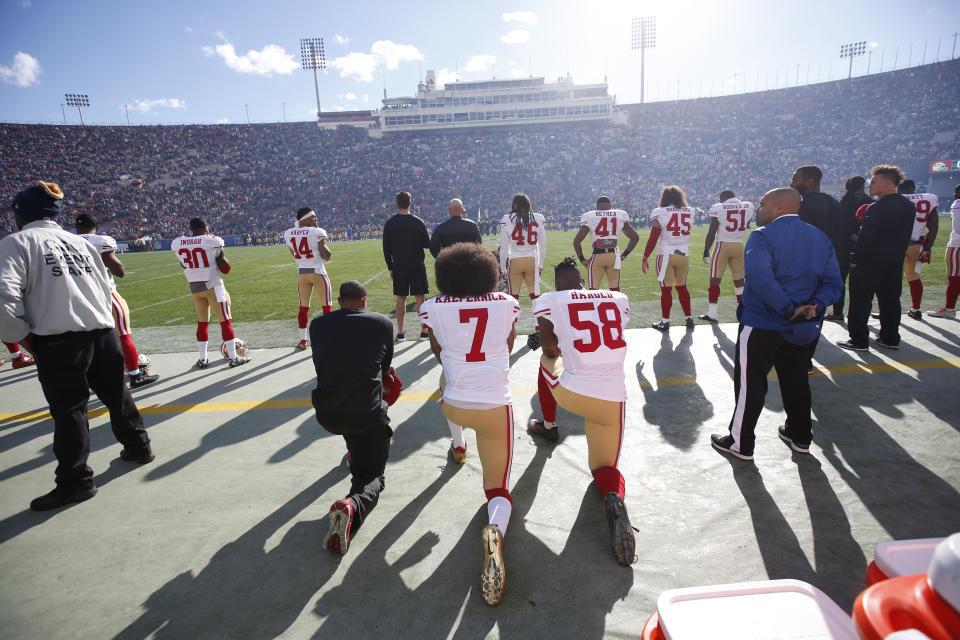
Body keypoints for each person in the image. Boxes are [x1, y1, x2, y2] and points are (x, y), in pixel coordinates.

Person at [0, 182, 155, 511]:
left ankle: (76, 481)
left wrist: (25, 340)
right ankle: (139, 446)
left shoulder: (15, 244)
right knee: (118, 395)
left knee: (70, 410)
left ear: (20, 215)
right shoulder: (79, 243)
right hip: (102, 331)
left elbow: (3, 299)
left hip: (59, 338)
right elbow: (105, 289)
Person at [419, 242, 520, 606]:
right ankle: (496, 529)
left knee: (445, 378)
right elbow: (506, 345)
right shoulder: (506, 303)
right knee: (498, 490)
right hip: (494, 408)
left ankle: (458, 444)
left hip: (455, 406)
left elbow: (438, 351)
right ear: (488, 273)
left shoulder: (431, 307)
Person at [710, 188, 842, 461]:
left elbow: (760, 279)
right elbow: (834, 283)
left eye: (762, 204)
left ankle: (740, 441)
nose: (757, 209)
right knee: (797, 381)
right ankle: (800, 435)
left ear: (779, 208)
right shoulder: (819, 237)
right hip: (803, 326)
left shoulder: (762, 235)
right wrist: (813, 306)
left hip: (763, 322)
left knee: (751, 383)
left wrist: (788, 309)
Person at [528, 257, 636, 567]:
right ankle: (614, 499)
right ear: (582, 281)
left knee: (545, 363)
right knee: (604, 469)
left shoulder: (550, 299)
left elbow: (549, 348)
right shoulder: (617, 298)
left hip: (574, 395)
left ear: (558, 283)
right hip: (613, 400)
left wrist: (559, 341)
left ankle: (548, 425)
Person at [310, 280, 400, 555]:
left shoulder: (317, 325)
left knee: (355, 420)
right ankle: (353, 505)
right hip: (365, 414)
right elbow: (386, 369)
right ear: (364, 300)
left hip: (327, 412)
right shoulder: (382, 323)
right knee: (372, 475)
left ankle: (354, 455)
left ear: (339, 301)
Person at [75, 213, 158, 389]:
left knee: (85, 339)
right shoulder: (100, 241)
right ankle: (136, 375)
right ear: (96, 227)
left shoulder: (65, 240)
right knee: (123, 334)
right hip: (106, 294)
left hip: (78, 297)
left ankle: (88, 379)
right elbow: (118, 270)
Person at [837, 165, 916, 351]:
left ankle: (858, 340)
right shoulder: (908, 206)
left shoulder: (876, 208)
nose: (869, 186)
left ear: (887, 182)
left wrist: (855, 258)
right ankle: (890, 338)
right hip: (895, 261)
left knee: (860, 301)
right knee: (890, 300)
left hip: (870, 262)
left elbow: (866, 239)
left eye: (873, 182)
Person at [171, 218, 249, 367]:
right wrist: (218, 258)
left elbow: (183, 264)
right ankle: (233, 358)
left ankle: (203, 358)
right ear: (205, 228)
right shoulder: (213, 241)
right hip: (214, 286)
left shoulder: (178, 243)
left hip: (194, 288)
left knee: (202, 323)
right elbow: (226, 269)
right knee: (225, 321)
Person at [642, 185, 696, 330]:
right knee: (682, 288)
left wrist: (645, 256)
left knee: (666, 290)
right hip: (684, 254)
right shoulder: (689, 211)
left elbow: (653, 238)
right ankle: (689, 318)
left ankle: (665, 322)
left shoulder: (660, 212)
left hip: (666, 254)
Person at [700, 190, 756, 321]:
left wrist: (706, 249)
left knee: (714, 280)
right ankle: (744, 312)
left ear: (723, 198)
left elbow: (712, 230)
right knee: (739, 282)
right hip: (739, 245)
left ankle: (712, 313)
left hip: (722, 246)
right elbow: (747, 224)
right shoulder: (748, 205)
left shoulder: (718, 207)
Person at [382, 191, 430, 342]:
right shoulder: (418, 222)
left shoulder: (390, 223)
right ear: (410, 203)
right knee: (420, 297)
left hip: (399, 266)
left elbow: (386, 248)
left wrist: (390, 267)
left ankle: (401, 332)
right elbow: (426, 244)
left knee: (400, 298)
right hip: (416, 265)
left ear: (397, 203)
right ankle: (423, 331)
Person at [282, 206, 332, 350]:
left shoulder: (289, 233)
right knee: (326, 307)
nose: (316, 219)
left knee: (303, 308)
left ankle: (303, 340)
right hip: (318, 272)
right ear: (307, 219)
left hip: (302, 274)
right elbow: (327, 256)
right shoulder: (317, 232)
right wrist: (321, 243)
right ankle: (328, 339)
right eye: (314, 217)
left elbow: (294, 254)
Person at [573, 196, 640, 291]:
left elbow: (577, 241)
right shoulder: (620, 214)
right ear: (610, 206)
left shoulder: (590, 215)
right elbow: (635, 237)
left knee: (593, 291)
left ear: (597, 206)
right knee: (615, 291)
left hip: (598, 255)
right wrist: (624, 255)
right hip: (614, 256)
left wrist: (582, 259)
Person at [830, 176, 873, 321]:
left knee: (840, 280)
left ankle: (837, 312)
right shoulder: (870, 203)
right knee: (861, 284)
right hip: (865, 246)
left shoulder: (842, 203)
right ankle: (858, 316)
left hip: (844, 246)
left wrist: (854, 237)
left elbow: (841, 226)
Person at [897, 179, 939, 320]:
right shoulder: (929, 198)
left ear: (898, 188)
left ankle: (891, 309)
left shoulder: (897, 199)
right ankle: (915, 309)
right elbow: (933, 227)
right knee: (914, 277)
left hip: (899, 245)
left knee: (894, 278)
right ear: (914, 188)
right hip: (917, 244)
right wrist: (927, 248)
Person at [498, 193, 546, 301]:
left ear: (515, 205)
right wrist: (540, 265)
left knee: (513, 299)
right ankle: (540, 317)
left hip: (515, 261)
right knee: (536, 298)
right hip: (532, 260)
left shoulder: (507, 219)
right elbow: (542, 246)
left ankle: (513, 319)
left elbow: (504, 247)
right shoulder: (538, 218)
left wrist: (502, 268)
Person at [928, 184, 960, 318]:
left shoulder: (957, 203)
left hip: (957, 245)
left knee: (954, 277)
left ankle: (949, 308)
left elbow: (958, 228)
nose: (955, 195)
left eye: (957, 193)